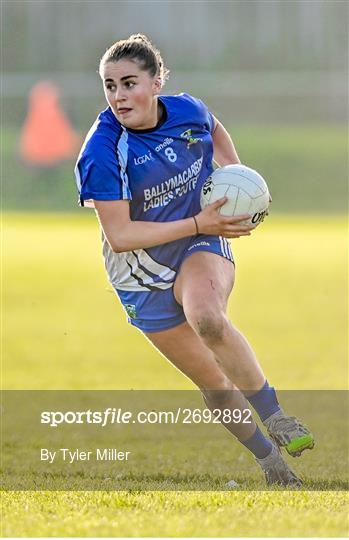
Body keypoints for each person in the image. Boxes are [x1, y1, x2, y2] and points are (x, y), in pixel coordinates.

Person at [74, 34, 314, 487]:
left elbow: (214, 127)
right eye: (110, 86)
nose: (119, 96)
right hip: (139, 276)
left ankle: (277, 417)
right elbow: (121, 236)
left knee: (207, 318)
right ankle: (270, 463)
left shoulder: (187, 109)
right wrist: (200, 223)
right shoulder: (102, 151)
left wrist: (234, 176)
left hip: (197, 245)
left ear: (157, 81)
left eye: (129, 83)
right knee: (212, 381)